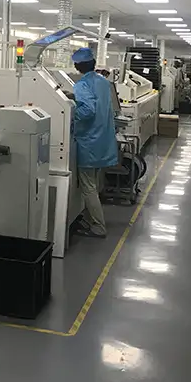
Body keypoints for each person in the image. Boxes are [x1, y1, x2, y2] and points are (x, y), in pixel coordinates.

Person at [71, 47, 118, 239]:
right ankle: (89, 218)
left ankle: (98, 226)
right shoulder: (103, 82)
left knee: (88, 186)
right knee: (95, 183)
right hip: (103, 139)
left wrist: (70, 112)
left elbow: (88, 111)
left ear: (77, 66)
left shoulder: (81, 85)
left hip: (89, 141)